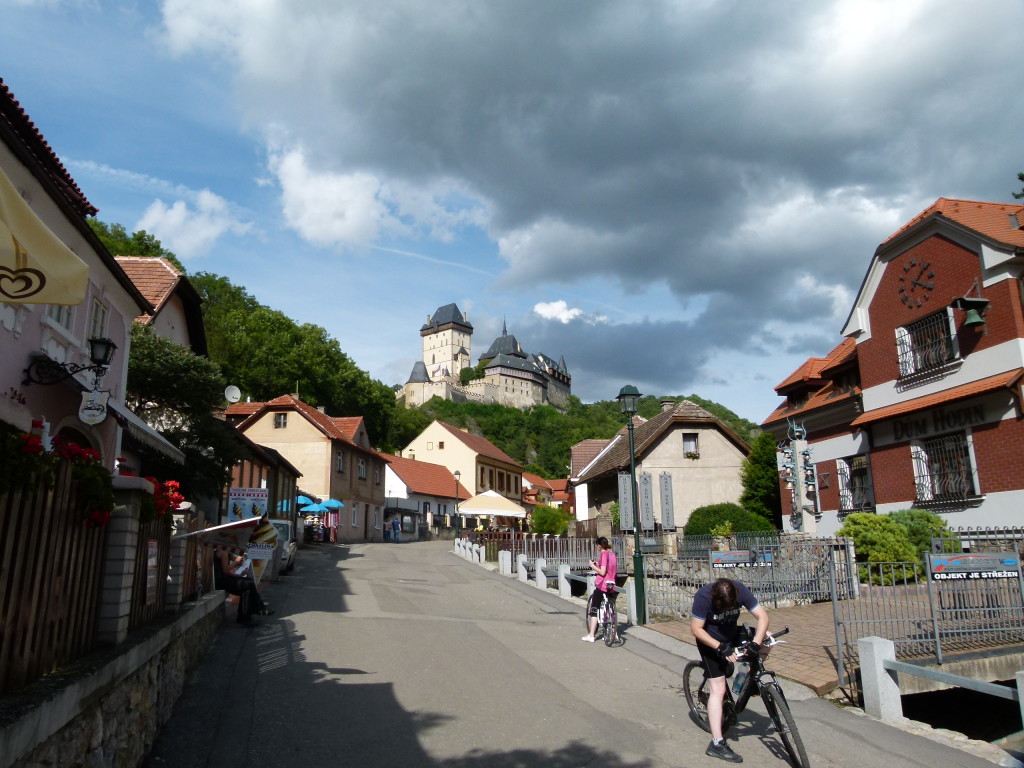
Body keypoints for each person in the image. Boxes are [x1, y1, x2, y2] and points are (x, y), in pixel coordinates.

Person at [690, 577, 769, 763]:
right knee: (718, 689)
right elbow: (696, 629)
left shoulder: (740, 589)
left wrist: (756, 644)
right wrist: (720, 647)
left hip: (732, 634)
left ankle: (750, 677)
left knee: (768, 638)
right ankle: (716, 744)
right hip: (711, 641)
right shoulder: (703, 597)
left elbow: (763, 616)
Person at [213, 549, 273, 623]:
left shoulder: (228, 553)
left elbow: (229, 570)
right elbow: (225, 570)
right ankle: (258, 609)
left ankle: (246, 615)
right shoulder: (223, 552)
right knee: (249, 585)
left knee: (248, 585)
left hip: (226, 579)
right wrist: (236, 562)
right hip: (221, 581)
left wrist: (240, 575)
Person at [582, 537, 617, 642]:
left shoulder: (604, 554)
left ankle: (591, 635)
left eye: (597, 545)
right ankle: (612, 634)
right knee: (609, 609)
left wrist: (592, 566)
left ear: (599, 545)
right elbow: (608, 568)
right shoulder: (612, 554)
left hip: (602, 585)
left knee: (594, 609)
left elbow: (602, 572)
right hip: (612, 584)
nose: (596, 547)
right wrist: (598, 564)